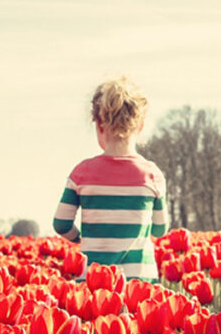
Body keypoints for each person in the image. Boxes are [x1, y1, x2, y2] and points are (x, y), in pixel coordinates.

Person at [53, 77, 167, 282]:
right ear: (140, 126)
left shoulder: (82, 173)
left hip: (94, 281)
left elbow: (61, 223)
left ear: (99, 125)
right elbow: (160, 229)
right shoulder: (152, 175)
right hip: (139, 280)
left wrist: (81, 239)